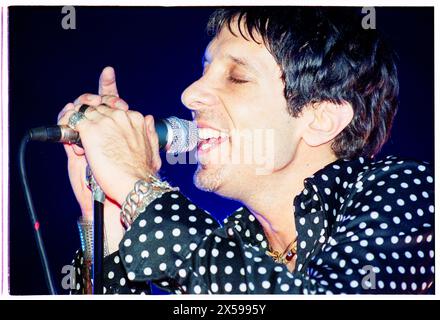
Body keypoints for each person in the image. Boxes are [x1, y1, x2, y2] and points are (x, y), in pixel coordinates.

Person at [58, 8, 434, 294]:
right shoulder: (238, 244)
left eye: (236, 77)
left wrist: (136, 186)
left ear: (320, 118)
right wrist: (106, 219)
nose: (189, 95)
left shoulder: (414, 192)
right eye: (204, 71)